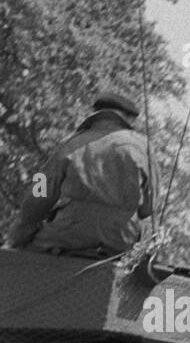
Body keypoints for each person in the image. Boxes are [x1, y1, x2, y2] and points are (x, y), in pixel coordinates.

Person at [10, 91, 153, 258]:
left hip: (66, 237)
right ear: (129, 119)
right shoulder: (144, 148)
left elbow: (38, 193)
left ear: (96, 115)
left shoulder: (70, 144)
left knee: (20, 262)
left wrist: (18, 237)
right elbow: (148, 208)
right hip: (120, 244)